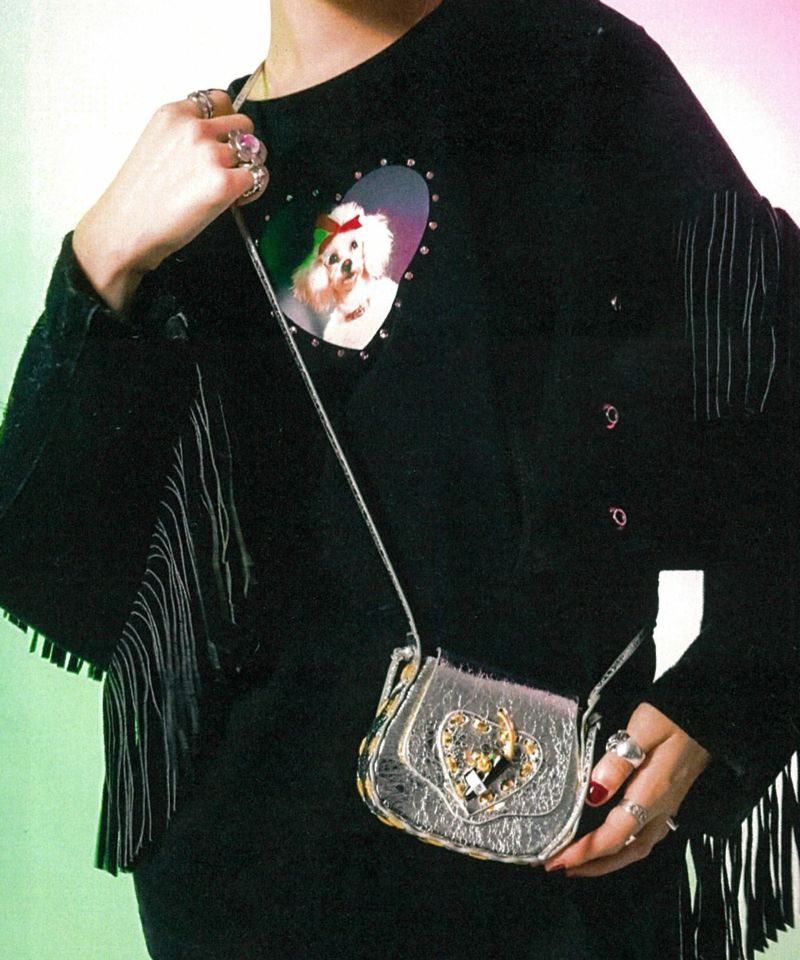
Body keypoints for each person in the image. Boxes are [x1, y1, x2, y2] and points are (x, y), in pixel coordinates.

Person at [1, 0, 798, 957]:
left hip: (539, 863)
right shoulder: (187, 167)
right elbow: (56, 579)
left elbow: (777, 381)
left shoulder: (571, 69)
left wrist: (730, 694)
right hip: (242, 893)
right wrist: (101, 259)